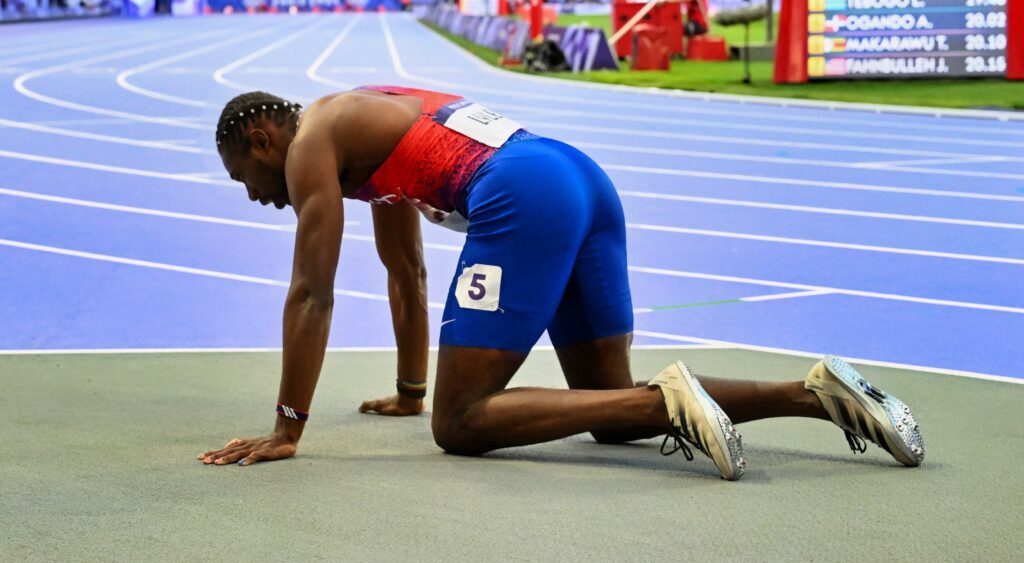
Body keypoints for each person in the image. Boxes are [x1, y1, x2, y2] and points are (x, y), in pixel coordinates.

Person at [197, 86, 924, 480]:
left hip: (522, 191)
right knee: (612, 406)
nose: (255, 193)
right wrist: (410, 393)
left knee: (462, 423)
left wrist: (287, 426)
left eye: (244, 177)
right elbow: (406, 271)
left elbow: (311, 293)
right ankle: (816, 393)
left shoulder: (311, 142)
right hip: (578, 178)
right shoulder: (359, 130)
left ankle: (673, 396)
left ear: (262, 141)